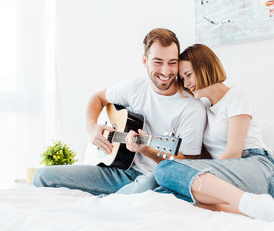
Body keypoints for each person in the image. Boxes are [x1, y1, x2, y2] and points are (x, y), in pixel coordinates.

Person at [32, 28, 206, 195]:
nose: (166, 71)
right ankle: (116, 197)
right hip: (118, 171)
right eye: (158, 62)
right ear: (145, 61)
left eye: (172, 63)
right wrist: (92, 127)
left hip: (152, 178)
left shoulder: (191, 108)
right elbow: (98, 98)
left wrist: (147, 151)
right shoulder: (135, 88)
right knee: (42, 176)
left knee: (150, 183)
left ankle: (108, 201)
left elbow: (187, 165)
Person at [153, 44, 274, 223]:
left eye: (188, 75)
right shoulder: (203, 109)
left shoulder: (236, 95)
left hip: (257, 169)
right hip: (228, 178)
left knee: (164, 170)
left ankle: (249, 203)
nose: (186, 83)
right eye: (182, 78)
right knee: (164, 188)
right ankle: (253, 210)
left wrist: (200, 173)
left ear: (205, 67)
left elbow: (234, 152)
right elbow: (205, 157)